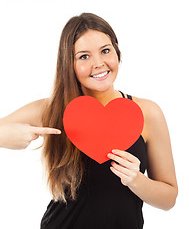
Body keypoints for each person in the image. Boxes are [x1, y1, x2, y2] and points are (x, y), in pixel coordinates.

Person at [0, 13, 178, 229]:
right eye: (84, 56)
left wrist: (136, 180)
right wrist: (5, 136)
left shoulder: (147, 112)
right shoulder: (53, 110)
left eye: (105, 51)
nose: (99, 64)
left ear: (117, 50)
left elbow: (169, 199)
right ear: (70, 63)